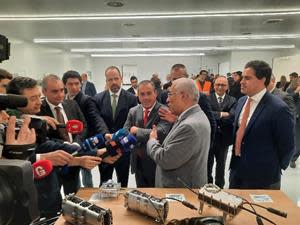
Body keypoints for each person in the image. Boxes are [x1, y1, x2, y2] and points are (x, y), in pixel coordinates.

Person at [229, 60, 295, 189]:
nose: (241, 81)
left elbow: (287, 145)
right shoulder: (242, 101)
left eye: (247, 78)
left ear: (262, 80)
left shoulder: (278, 108)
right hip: (237, 171)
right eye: (242, 77)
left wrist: (273, 166)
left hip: (263, 177)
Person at [147, 78, 211, 188]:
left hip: (180, 193)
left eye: (170, 94)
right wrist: (177, 120)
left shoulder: (189, 126)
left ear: (183, 96)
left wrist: (152, 141)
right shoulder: (194, 117)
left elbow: (165, 159)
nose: (167, 100)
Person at [63, 70, 109, 187]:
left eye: (77, 83)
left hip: (84, 142)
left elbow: (95, 118)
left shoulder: (86, 100)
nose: (74, 87)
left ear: (81, 84)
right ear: (65, 85)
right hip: (67, 142)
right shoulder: (63, 101)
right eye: (70, 84)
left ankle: (87, 194)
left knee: (85, 170)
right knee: (71, 172)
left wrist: (105, 133)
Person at [94, 66, 137, 187]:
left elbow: (132, 123)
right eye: (110, 79)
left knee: (123, 183)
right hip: (105, 149)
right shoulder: (98, 99)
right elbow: (97, 121)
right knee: (104, 182)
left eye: (116, 78)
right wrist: (106, 134)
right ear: (106, 81)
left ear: (121, 79)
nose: (113, 82)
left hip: (123, 150)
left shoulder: (131, 99)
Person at [123, 80, 171, 187]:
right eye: (142, 94)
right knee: (141, 193)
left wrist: (136, 131)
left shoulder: (164, 111)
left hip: (156, 162)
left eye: (149, 93)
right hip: (138, 161)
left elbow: (161, 132)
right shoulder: (133, 111)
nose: (146, 97)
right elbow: (125, 131)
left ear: (155, 93)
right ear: (138, 95)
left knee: (157, 195)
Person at [160, 64, 216, 148]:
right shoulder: (165, 95)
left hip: (194, 147)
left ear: (187, 77)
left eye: (180, 78)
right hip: (172, 146)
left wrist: (206, 149)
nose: (177, 82)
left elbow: (211, 124)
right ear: (170, 79)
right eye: (174, 79)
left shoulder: (200, 97)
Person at [207, 76, 236, 188]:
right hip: (210, 138)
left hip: (224, 139)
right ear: (214, 86)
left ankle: (220, 187)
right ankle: (208, 186)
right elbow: (207, 115)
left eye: (223, 85)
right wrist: (222, 114)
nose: (220, 87)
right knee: (208, 165)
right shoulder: (207, 99)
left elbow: (232, 116)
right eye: (217, 84)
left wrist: (215, 115)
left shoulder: (233, 100)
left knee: (221, 166)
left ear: (227, 87)